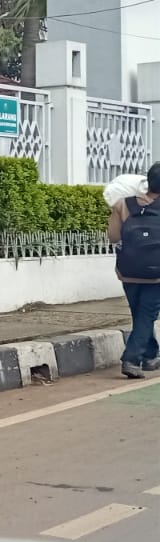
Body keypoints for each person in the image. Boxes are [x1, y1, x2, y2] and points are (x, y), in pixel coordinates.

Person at [109, 162, 160, 379]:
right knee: (146, 315)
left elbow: (113, 237)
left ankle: (150, 355)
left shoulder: (123, 204)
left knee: (140, 314)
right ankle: (131, 359)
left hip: (128, 271)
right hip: (156, 274)